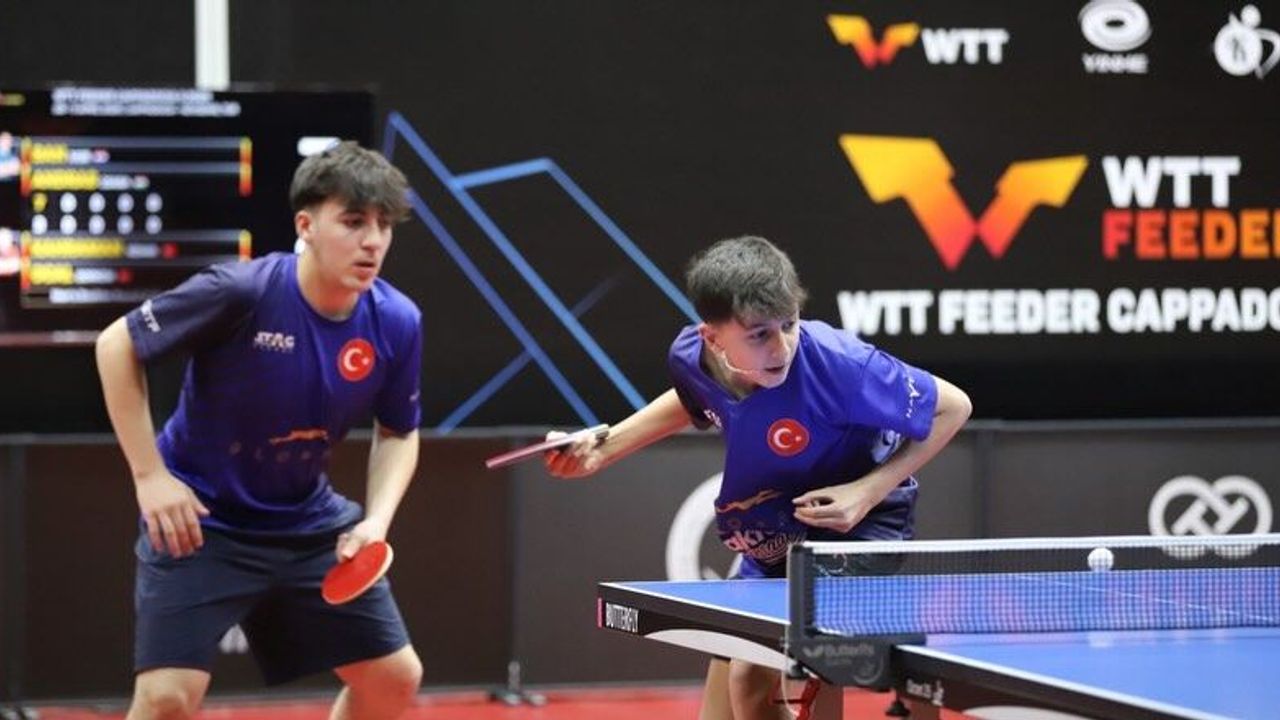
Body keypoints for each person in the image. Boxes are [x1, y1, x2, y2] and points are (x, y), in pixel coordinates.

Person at [545, 236, 971, 720]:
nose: (782, 347)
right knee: (728, 701)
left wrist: (866, 492)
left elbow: (954, 407)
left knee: (753, 677)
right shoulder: (692, 358)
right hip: (775, 523)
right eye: (759, 335)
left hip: (854, 525)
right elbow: (693, 398)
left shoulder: (841, 365)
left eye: (789, 324)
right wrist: (604, 448)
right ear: (713, 338)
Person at [95, 141, 424, 719]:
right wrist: (150, 476)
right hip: (202, 522)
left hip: (308, 525)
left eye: (383, 224)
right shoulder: (241, 292)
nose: (372, 241)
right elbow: (116, 344)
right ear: (306, 226)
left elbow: (398, 431)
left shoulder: (396, 321)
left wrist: (376, 522)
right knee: (167, 698)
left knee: (395, 679)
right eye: (353, 222)